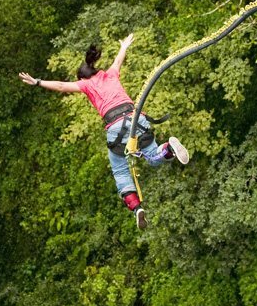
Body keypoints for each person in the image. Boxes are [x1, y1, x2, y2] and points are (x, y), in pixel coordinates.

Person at [18, 33, 189, 229]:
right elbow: (118, 60)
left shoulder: (86, 84)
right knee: (153, 154)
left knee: (120, 171)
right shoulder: (110, 74)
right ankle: (169, 148)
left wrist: (37, 82)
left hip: (116, 127)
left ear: (83, 78)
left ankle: (137, 209)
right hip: (136, 118)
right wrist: (124, 46)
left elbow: (61, 86)